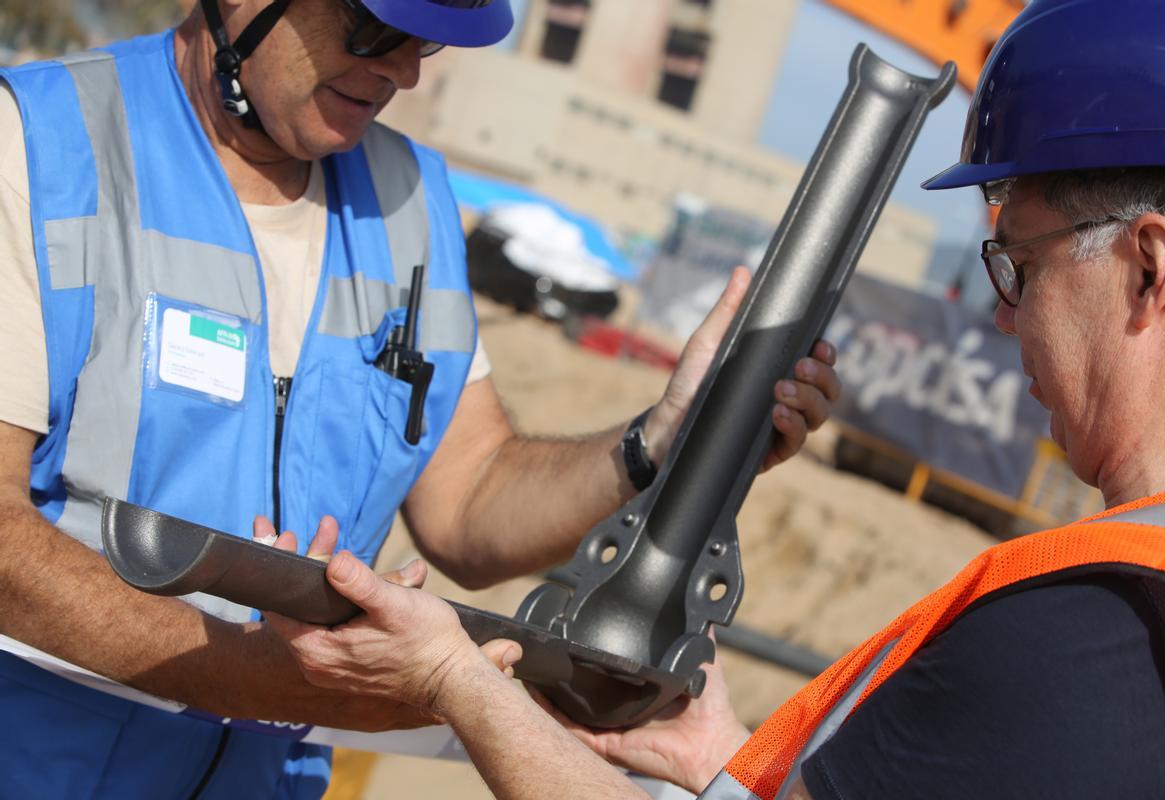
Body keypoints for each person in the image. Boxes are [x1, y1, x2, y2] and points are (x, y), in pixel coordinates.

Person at [272, 0, 1165, 797]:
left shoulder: (1086, 634)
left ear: (1150, 265)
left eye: (1019, 266)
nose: (1005, 320)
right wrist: (732, 759)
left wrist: (452, 680)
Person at [0, 0, 840, 797]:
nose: (402, 71)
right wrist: (274, 679)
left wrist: (660, 438)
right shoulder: (42, 146)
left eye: (427, 39)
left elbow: (471, 505)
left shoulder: (410, 201)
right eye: (375, 26)